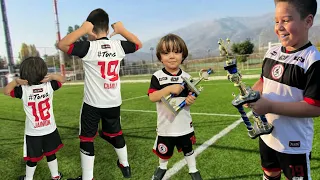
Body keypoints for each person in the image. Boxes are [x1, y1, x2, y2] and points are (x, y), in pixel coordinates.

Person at [57, 8, 142, 180]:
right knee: (116, 132)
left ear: (91, 29)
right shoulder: (118, 46)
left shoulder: (89, 47)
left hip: (93, 105)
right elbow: (138, 44)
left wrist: (82, 29)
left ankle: (88, 178)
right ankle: (124, 164)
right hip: (113, 103)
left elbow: (62, 45)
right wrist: (122, 30)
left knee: (87, 139)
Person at [248, 0, 320, 179]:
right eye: (276, 21)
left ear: (308, 21)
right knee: (269, 173)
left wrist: (270, 107)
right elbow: (262, 82)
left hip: (294, 143)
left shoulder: (313, 61)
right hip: (268, 136)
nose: (279, 27)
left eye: (286, 20)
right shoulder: (271, 52)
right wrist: (252, 94)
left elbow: (314, 107)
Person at [148, 33, 202, 180]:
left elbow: (193, 94)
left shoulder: (186, 76)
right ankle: (162, 167)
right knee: (164, 151)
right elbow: (152, 97)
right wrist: (168, 89)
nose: (172, 56)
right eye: (166, 53)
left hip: (184, 123)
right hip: (165, 125)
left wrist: (191, 99)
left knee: (187, 148)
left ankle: (193, 170)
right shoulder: (157, 76)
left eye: (176, 52)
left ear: (183, 54)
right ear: (160, 56)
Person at [3, 57, 66, 180]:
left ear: (24, 73)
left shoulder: (23, 90)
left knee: (32, 158)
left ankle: (29, 178)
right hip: (49, 128)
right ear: (43, 71)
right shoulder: (50, 85)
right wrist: (52, 76)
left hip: (33, 132)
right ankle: (55, 176)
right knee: (51, 153)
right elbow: (63, 79)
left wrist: (16, 82)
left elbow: (6, 91)